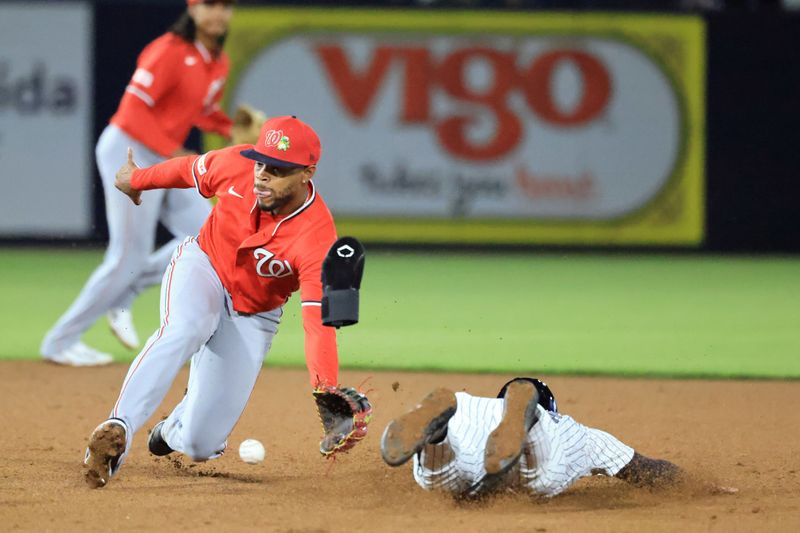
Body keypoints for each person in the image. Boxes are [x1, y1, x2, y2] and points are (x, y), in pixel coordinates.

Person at [82, 115, 369, 489]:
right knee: (186, 328)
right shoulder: (236, 165)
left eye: (278, 169)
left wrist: (326, 387)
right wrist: (135, 180)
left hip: (255, 313)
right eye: (262, 162)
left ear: (307, 173)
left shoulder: (317, 238)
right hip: (204, 266)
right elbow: (187, 170)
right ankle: (117, 428)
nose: (263, 174)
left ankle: (172, 430)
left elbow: (317, 323)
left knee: (201, 445)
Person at [41, 0, 241, 366]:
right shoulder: (168, 50)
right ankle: (59, 341)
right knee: (126, 255)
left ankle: (126, 292)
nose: (219, 13)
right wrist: (176, 152)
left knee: (213, 231)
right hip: (129, 152)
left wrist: (232, 127)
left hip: (165, 158)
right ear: (193, 9)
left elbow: (200, 111)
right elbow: (134, 110)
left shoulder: (217, 61)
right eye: (210, 4)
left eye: (226, 6)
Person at [381, 378, 682, 499]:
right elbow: (647, 469)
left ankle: (437, 437)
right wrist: (700, 487)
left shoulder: (471, 407)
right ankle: (532, 420)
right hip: (546, 435)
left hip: (466, 415)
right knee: (541, 476)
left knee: (440, 481)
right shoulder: (577, 432)